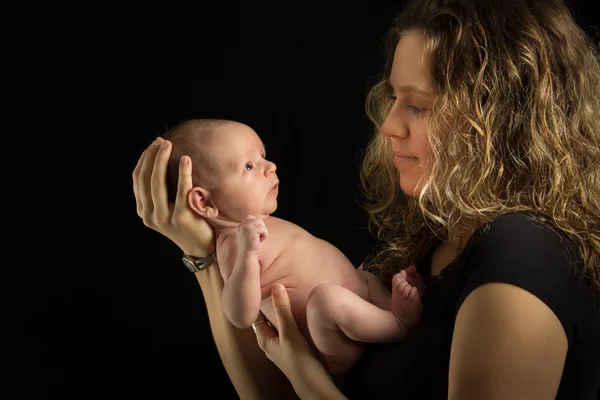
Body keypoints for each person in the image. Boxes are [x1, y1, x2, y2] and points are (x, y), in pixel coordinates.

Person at [132, 0, 600, 398]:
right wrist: (202, 250)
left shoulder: (521, 252)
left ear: (498, 118)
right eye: (393, 97)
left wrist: (307, 379)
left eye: (416, 104)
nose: (389, 126)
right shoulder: (443, 237)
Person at [160, 118, 425, 379]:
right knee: (326, 299)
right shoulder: (234, 244)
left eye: (263, 156)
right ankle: (397, 324)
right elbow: (240, 315)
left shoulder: (257, 221)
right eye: (249, 166)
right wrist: (249, 256)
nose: (270, 167)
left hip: (353, 308)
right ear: (205, 202)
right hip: (333, 338)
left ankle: (386, 307)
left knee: (364, 276)